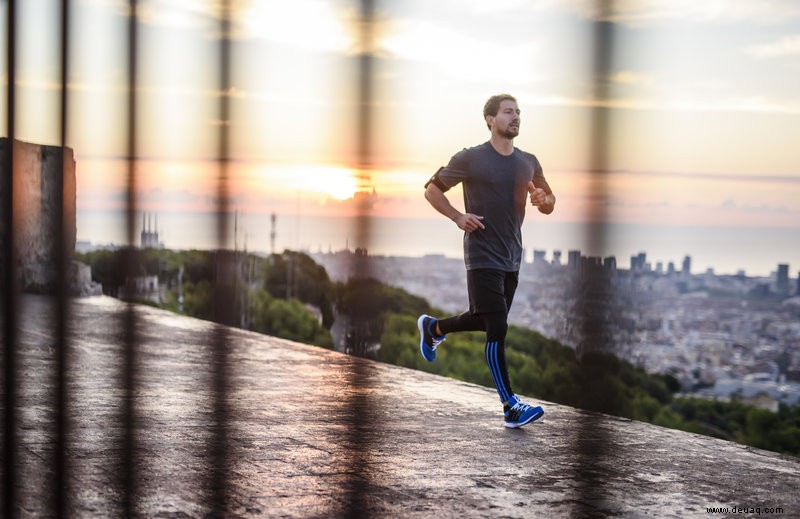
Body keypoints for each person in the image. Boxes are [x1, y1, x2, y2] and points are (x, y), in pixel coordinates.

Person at [418, 93, 555, 428]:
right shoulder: (471, 158)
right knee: (498, 327)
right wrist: (456, 216)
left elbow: (549, 200)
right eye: (508, 112)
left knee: (483, 320)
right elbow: (432, 190)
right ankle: (511, 405)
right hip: (481, 255)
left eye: (518, 112)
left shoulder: (529, 162)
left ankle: (433, 327)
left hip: (512, 257)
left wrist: (542, 199)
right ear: (490, 120)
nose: (516, 117)